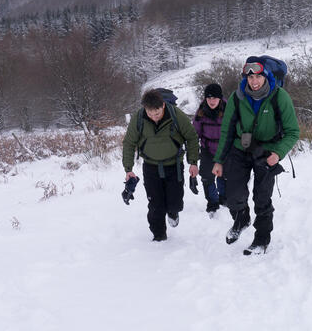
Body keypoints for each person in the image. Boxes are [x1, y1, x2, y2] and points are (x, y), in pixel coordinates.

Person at [212, 57, 300, 254]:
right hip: (239, 149)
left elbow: (293, 131)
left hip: (266, 152)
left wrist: (277, 153)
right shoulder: (237, 97)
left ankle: (261, 240)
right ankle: (242, 218)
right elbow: (226, 131)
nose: (254, 81)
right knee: (233, 196)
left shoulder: (279, 97)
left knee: (262, 198)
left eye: (258, 76)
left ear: (265, 76)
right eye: (250, 76)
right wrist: (218, 160)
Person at [123, 88, 199, 241]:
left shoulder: (176, 115)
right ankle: (159, 236)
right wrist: (128, 169)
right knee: (155, 205)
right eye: (150, 113)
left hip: (174, 166)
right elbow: (129, 142)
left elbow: (191, 137)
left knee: (175, 202)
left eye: (156, 113)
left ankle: (173, 212)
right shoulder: (139, 118)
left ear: (163, 105)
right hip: (151, 167)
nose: (154, 117)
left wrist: (193, 162)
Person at [192, 83, 227, 216]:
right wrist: (194, 157)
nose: (212, 101)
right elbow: (195, 133)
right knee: (207, 177)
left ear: (220, 98)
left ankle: (224, 198)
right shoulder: (201, 111)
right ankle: (212, 202)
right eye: (209, 98)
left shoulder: (228, 109)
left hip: (224, 150)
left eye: (215, 98)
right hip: (207, 149)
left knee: (224, 175)